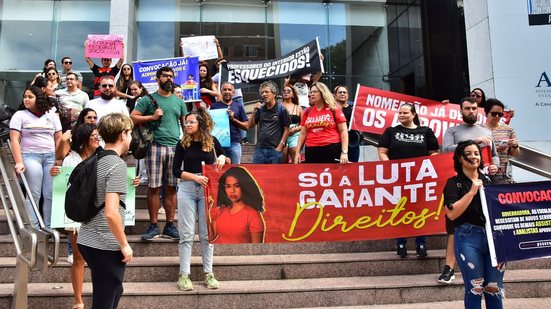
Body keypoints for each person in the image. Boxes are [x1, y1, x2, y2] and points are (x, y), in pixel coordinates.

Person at [439, 96, 499, 284]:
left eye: (474, 108)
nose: (471, 111)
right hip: (459, 184)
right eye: (467, 108)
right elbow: (445, 150)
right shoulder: (453, 130)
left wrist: (495, 166)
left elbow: (494, 155)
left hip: (484, 182)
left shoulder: (486, 131)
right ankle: (449, 268)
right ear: (461, 110)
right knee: (454, 227)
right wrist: (474, 141)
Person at [77, 113, 133, 309]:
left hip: (87, 238)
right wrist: (124, 244)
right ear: (123, 135)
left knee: (114, 291)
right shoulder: (116, 164)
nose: (131, 137)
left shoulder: (97, 158)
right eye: (130, 132)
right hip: (105, 243)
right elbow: (111, 211)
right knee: (105, 299)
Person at [172, 108, 228, 291]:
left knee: (206, 234)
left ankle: (208, 273)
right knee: (186, 234)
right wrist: (195, 177)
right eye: (186, 122)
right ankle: (184, 275)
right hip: (188, 187)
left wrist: (221, 156)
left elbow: (227, 160)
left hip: (208, 189)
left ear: (200, 124)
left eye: (191, 122)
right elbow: (175, 171)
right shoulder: (182, 144)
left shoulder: (212, 141)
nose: (187, 125)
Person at [444, 140, 504, 308]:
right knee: (475, 288)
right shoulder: (453, 183)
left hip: (494, 239)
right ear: (460, 159)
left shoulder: (491, 181)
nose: (473, 157)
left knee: (494, 289)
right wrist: (472, 191)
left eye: (476, 153)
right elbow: (451, 213)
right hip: (468, 238)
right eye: (468, 154)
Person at [131, 66, 187, 241]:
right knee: (153, 188)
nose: (168, 79)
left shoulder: (179, 101)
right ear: (157, 79)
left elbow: (185, 126)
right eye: (165, 76)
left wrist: (186, 146)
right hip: (154, 146)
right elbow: (133, 116)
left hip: (175, 147)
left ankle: (170, 225)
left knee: (171, 188)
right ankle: (153, 225)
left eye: (171, 76)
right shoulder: (148, 99)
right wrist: (152, 117)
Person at [378, 103, 439, 258]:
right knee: (400, 210)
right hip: (398, 178)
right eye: (400, 113)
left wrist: (427, 165)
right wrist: (390, 168)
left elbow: (434, 153)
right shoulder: (391, 131)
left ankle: (421, 243)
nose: (401, 115)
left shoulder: (425, 131)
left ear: (413, 114)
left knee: (421, 210)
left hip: (420, 178)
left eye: (405, 113)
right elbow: (383, 151)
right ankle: (401, 242)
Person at [51, 123, 100, 309]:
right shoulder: (70, 159)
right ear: (84, 138)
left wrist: (131, 182)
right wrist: (56, 172)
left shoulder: (103, 156)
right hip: (77, 215)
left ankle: (99, 298)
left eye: (98, 135)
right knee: (79, 258)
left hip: (98, 214)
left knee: (98, 259)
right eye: (93, 135)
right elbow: (65, 183)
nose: (97, 138)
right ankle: (78, 301)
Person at [9, 86, 62, 228]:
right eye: (25, 96)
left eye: (30, 97)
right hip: (30, 156)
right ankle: (34, 227)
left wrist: (59, 158)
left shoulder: (51, 115)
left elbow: (59, 138)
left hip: (50, 157)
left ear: (38, 99)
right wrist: (19, 161)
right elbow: (14, 139)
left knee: (49, 193)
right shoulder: (20, 115)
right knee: (34, 193)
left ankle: (49, 226)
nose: (26, 99)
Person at [294, 82, 348, 164]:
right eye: (311, 92)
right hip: (311, 149)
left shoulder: (333, 108)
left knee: (332, 175)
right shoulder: (308, 111)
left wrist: (344, 152)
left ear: (323, 93)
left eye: (315, 92)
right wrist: (298, 152)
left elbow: (343, 131)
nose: (312, 94)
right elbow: (303, 133)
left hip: (331, 147)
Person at [209, 166, 265, 244]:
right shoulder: (221, 211)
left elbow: (257, 250)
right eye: (228, 186)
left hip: (240, 256)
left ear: (245, 186)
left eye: (237, 186)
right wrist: (206, 210)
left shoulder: (253, 215)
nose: (232, 191)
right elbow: (210, 237)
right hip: (219, 255)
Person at [248, 80, 291, 164]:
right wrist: (253, 111)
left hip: (274, 149)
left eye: (267, 92)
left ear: (274, 94)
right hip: (260, 149)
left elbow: (287, 128)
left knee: (274, 176)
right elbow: (249, 126)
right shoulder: (260, 109)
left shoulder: (281, 109)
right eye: (262, 92)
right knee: (257, 175)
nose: (264, 94)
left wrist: (280, 146)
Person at [210, 82, 249, 164]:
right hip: (218, 143)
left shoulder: (238, 106)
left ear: (233, 92)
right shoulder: (214, 106)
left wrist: (234, 119)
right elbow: (209, 124)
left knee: (235, 170)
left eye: (229, 89)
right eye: (224, 89)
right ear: (221, 92)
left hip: (234, 143)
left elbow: (247, 126)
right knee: (218, 170)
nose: (227, 91)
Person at [334, 85, 362, 162]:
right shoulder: (331, 109)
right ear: (335, 95)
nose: (342, 94)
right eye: (340, 92)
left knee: (353, 166)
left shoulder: (354, 108)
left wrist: (358, 114)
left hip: (352, 142)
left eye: (344, 92)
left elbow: (360, 126)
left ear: (347, 95)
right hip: (337, 142)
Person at [281, 85, 302, 163]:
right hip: (281, 134)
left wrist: (296, 129)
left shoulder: (298, 107)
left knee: (295, 154)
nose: (286, 92)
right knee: (283, 154)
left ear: (293, 94)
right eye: (284, 91)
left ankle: (296, 173)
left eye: (288, 91)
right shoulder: (278, 106)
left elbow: (304, 124)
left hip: (295, 134)